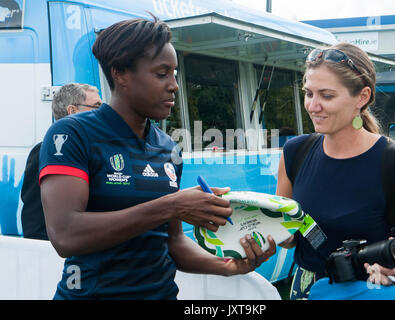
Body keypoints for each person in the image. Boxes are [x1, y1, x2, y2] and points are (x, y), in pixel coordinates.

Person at [39, 16, 276, 300]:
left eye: (174, 73)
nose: (174, 85)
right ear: (121, 74)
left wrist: (228, 267)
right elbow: (65, 235)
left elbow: (173, 242)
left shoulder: (167, 147)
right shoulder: (72, 133)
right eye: (162, 74)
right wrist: (171, 205)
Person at [276, 42, 395, 299]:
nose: (313, 106)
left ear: (362, 97)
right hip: (307, 291)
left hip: (372, 292)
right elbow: (289, 236)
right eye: (309, 93)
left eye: (326, 96)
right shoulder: (294, 153)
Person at [21, 83, 102, 240]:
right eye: (97, 107)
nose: (103, 114)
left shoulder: (97, 150)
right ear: (73, 111)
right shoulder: (46, 151)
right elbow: (34, 224)